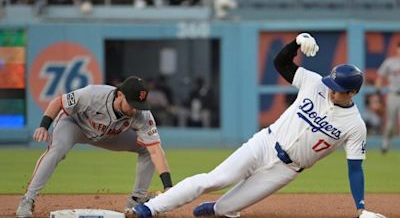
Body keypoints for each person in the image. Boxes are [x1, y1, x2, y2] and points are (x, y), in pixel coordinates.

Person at [129, 33, 386, 218]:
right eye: (331, 85)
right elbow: (281, 64)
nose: (331, 91)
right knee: (215, 179)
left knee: (227, 209)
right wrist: (295, 43)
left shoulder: (354, 126)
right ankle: (150, 208)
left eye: (338, 90)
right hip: (264, 144)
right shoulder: (315, 83)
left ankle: (219, 209)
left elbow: (355, 168)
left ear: (352, 92)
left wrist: (361, 208)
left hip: (286, 170)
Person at [16, 76, 173, 218]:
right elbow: (58, 102)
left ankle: (137, 199)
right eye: (132, 104)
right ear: (120, 95)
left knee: (146, 148)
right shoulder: (93, 94)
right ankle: (28, 199)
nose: (135, 109)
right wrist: (43, 126)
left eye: (139, 104)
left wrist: (168, 187)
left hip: (109, 135)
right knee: (57, 149)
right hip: (75, 125)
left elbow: (155, 150)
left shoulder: (142, 114)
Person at [375, 42, 400, 153]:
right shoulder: (390, 62)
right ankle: (385, 143)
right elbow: (380, 76)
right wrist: (378, 90)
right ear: (397, 49)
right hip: (393, 94)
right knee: (391, 123)